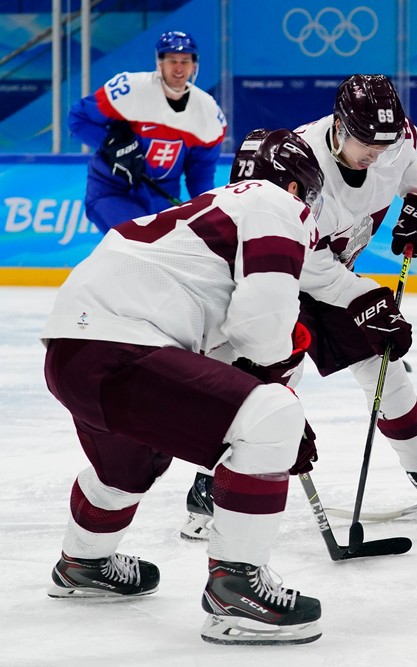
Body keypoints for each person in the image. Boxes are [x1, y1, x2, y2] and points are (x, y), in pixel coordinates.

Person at [40, 129, 377, 645]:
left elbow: (225, 355)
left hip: (76, 352)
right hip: (120, 346)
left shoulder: (213, 213)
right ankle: (235, 590)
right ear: (297, 187)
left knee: (129, 464)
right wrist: (278, 405)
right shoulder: (272, 203)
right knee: (273, 417)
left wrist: (263, 381)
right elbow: (262, 326)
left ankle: (83, 563)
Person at [179, 74, 417, 540]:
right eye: (364, 145)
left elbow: (409, 168)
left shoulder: (395, 139)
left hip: (338, 272)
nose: (375, 155)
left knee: (383, 365)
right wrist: (364, 298)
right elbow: (306, 267)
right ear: (338, 126)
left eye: (385, 143)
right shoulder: (300, 164)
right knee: (266, 384)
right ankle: (210, 486)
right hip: (284, 275)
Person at [68, 30, 226, 234]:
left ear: (194, 66)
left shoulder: (208, 113)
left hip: (161, 199)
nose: (178, 68)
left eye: (184, 61)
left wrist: (209, 216)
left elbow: (200, 177)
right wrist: (110, 142)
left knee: (163, 257)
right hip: (112, 190)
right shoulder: (129, 90)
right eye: (172, 61)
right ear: (160, 63)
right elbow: (78, 119)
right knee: (135, 242)